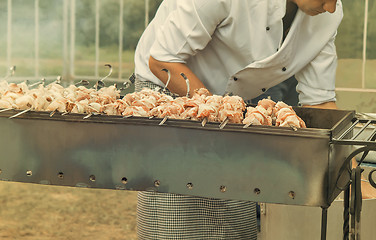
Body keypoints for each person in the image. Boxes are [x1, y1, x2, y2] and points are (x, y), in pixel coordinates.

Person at [133, 0, 342, 239]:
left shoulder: (327, 15)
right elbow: (163, 61)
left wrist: (350, 173)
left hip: (230, 101)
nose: (331, 8)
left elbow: (321, 101)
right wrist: (216, 111)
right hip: (171, 86)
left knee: (235, 195)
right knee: (180, 205)